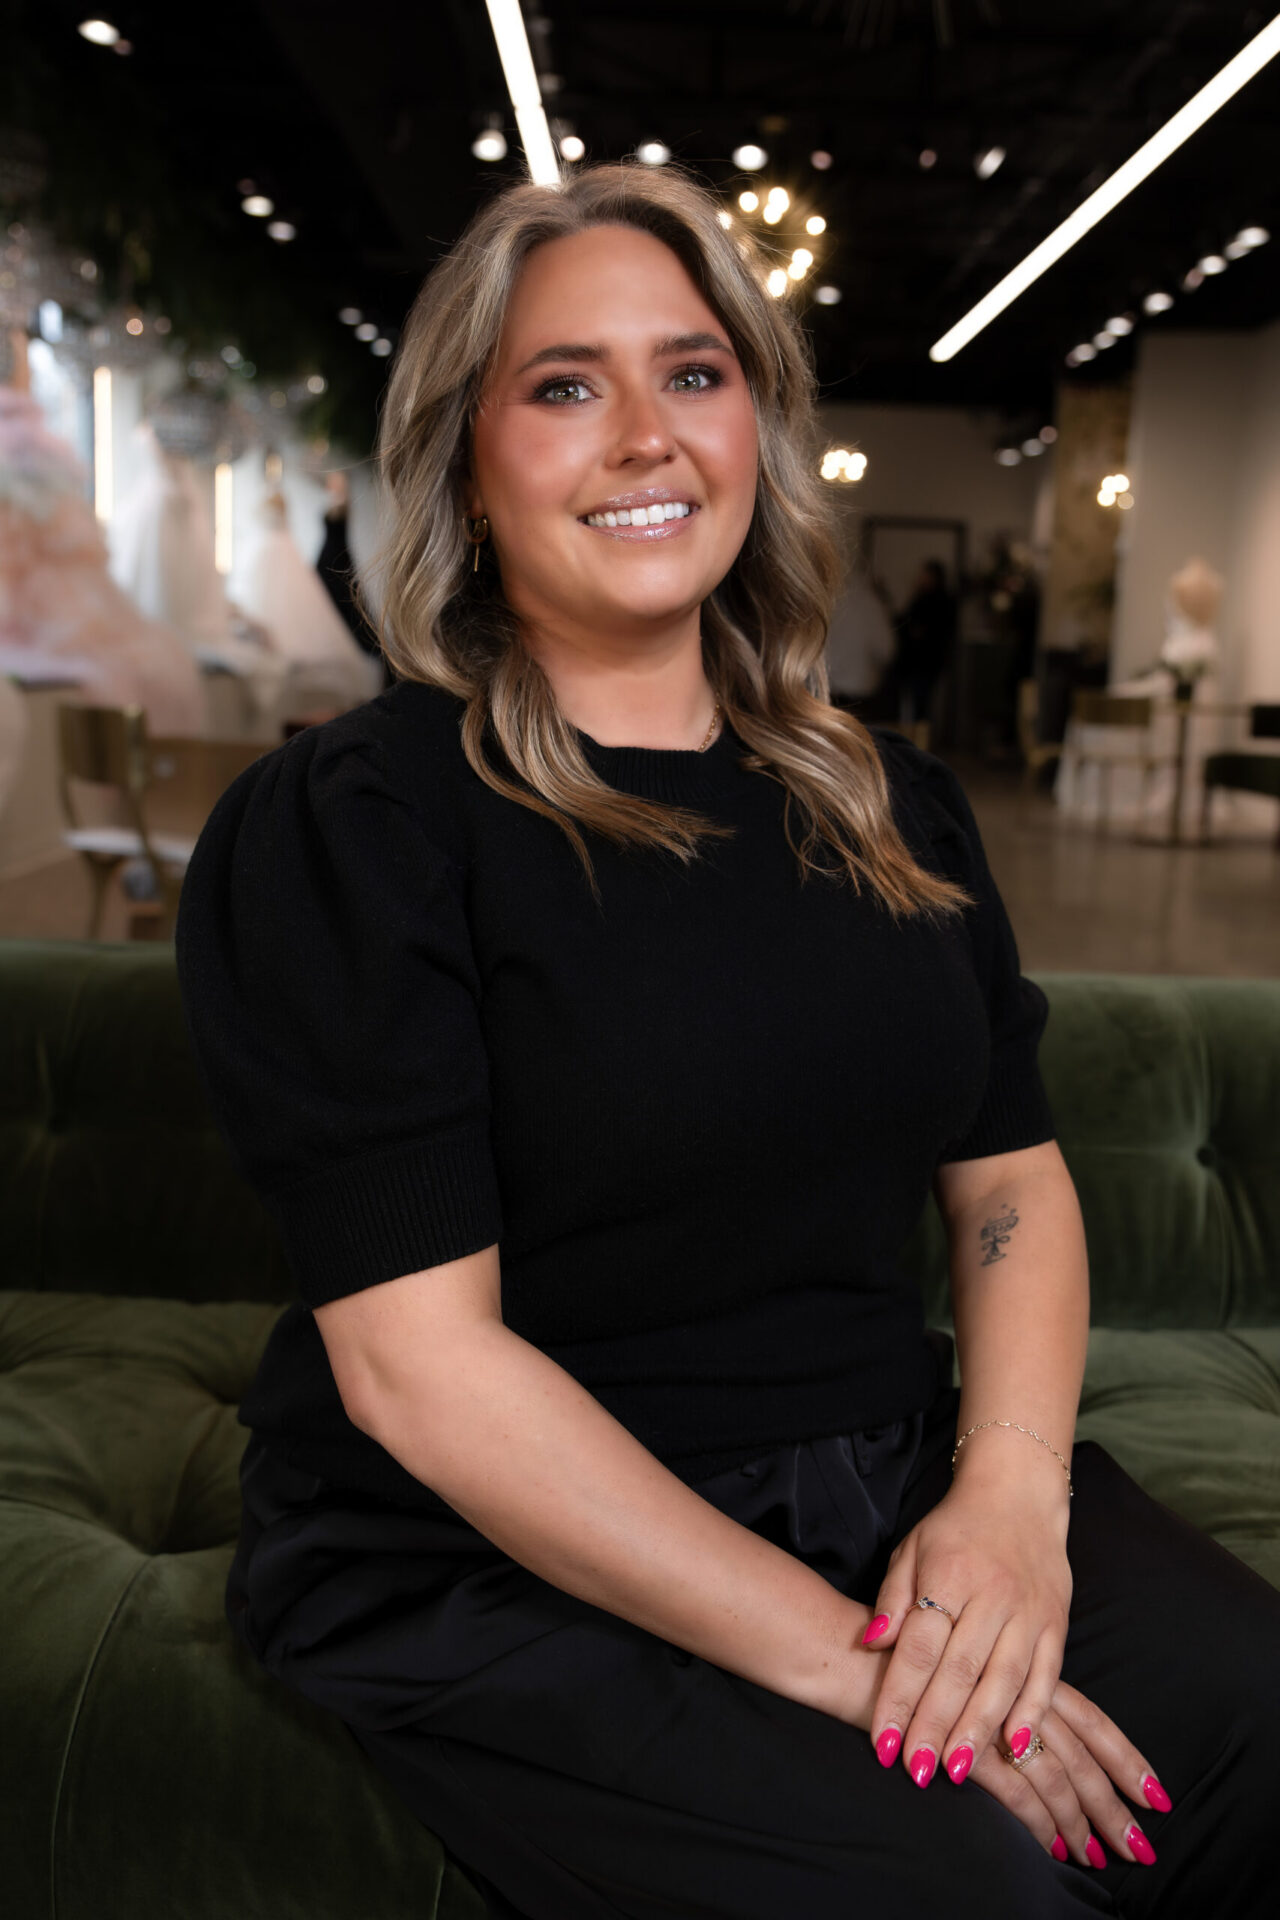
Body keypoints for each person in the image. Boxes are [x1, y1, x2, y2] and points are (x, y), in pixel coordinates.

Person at [173, 163, 1279, 1920]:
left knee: (1261, 1734)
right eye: (562, 385)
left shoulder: (885, 796)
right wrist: (863, 1670)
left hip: (887, 1467)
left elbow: (1011, 1184)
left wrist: (1009, 1509)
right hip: (494, 1556)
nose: (644, 435)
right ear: (465, 450)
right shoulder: (360, 822)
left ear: (756, 425)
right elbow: (422, 1374)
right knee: (970, 1892)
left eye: (694, 373)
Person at [885, 557, 958, 733]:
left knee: (921, 705)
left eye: (925, 574)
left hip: (925, 662)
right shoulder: (921, 597)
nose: (921, 578)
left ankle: (919, 740)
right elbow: (904, 622)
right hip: (915, 662)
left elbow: (920, 628)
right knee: (913, 704)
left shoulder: (938, 601)